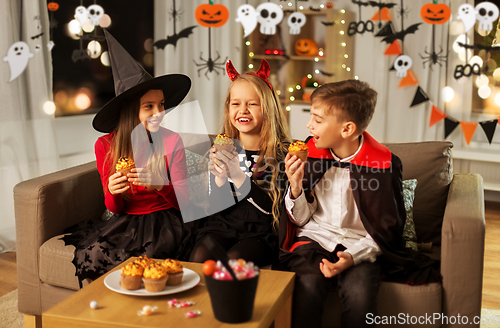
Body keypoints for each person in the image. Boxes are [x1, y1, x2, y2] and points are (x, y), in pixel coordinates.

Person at [278, 80, 440, 328]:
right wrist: (296, 185)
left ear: (347, 129)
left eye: (318, 120)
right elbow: (300, 220)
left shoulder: (384, 165)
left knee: (360, 296)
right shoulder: (311, 153)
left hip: (361, 245)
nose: (309, 125)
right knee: (307, 288)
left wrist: (352, 257)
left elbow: (387, 229)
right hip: (315, 239)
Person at [61, 30, 191, 287]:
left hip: (165, 218)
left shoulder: (172, 140)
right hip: (125, 220)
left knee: (150, 260)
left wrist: (160, 185)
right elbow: (115, 208)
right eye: (149, 107)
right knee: (95, 252)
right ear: (131, 110)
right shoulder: (105, 145)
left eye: (162, 104)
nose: (159, 113)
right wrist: (112, 192)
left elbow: (185, 203)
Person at [189, 59, 291, 267]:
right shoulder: (221, 147)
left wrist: (237, 176)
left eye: (252, 104)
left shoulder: (281, 154)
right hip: (221, 227)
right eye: (236, 103)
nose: (243, 110)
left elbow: (270, 212)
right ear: (228, 108)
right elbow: (216, 207)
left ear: (268, 109)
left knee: (234, 262)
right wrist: (218, 178)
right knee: (200, 258)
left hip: (260, 233)